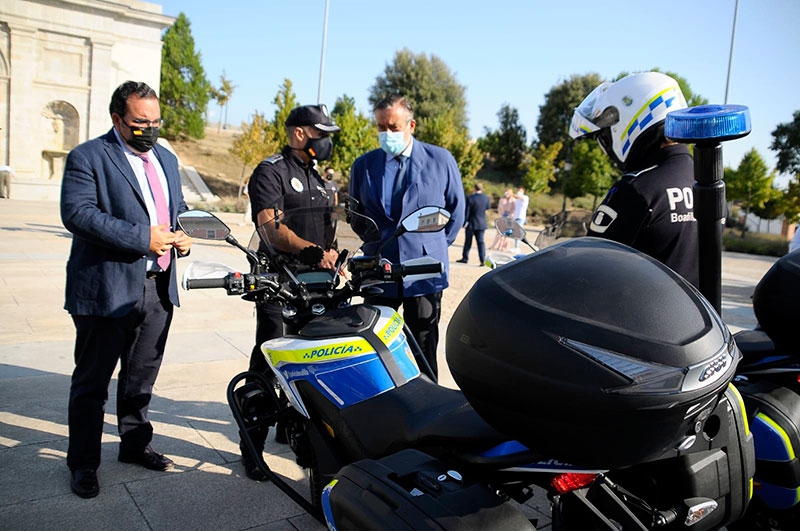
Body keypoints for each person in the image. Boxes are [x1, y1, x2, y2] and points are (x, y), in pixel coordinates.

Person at [60, 81, 193, 499]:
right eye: (140, 122)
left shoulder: (167, 159)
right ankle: (83, 462)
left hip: (158, 288)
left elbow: (177, 209)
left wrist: (184, 231)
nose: (149, 129)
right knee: (92, 383)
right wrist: (143, 238)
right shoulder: (88, 157)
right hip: (107, 289)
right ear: (117, 119)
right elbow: (78, 214)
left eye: (155, 121)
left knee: (141, 378)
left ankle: (135, 445)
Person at [243, 103, 340, 481]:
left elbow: (329, 227)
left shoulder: (318, 177)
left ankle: (295, 429)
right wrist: (311, 251)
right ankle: (252, 445)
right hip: (279, 283)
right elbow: (270, 228)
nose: (326, 142)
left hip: (317, 286)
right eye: (321, 134)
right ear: (300, 133)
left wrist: (334, 254)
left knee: (311, 360)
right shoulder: (271, 172)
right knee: (269, 362)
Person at [349, 94, 464, 378]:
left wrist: (431, 245)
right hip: (379, 267)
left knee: (423, 343)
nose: (387, 134)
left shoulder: (440, 159)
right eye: (380, 127)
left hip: (423, 271)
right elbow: (355, 214)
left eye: (393, 127)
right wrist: (375, 244)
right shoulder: (364, 165)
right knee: (372, 344)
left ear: (411, 125)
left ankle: (429, 405)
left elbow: (456, 211)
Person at [569, 71, 698, 287]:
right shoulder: (708, 183)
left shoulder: (637, 190)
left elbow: (589, 269)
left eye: (604, 136)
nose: (605, 148)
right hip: (701, 317)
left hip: (641, 317)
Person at [457, 182, 491, 265]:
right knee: (481, 242)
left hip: (471, 223)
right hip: (481, 223)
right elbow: (487, 207)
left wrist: (464, 222)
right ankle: (482, 259)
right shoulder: (486, 198)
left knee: (468, 241)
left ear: (474, 189)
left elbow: (467, 212)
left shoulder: (470, 198)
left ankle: (465, 258)